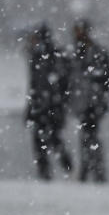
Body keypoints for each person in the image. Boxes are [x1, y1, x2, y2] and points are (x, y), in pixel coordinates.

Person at [24, 23, 73, 180]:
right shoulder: (44, 57)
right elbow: (35, 85)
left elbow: (44, 85)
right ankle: (52, 170)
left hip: (48, 106)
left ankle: (52, 170)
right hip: (46, 106)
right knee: (47, 140)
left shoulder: (47, 57)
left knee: (48, 139)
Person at [69, 19, 109, 183]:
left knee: (89, 135)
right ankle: (92, 170)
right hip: (87, 102)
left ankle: (91, 170)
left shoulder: (95, 53)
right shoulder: (78, 53)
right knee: (88, 136)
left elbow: (108, 77)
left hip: (92, 102)